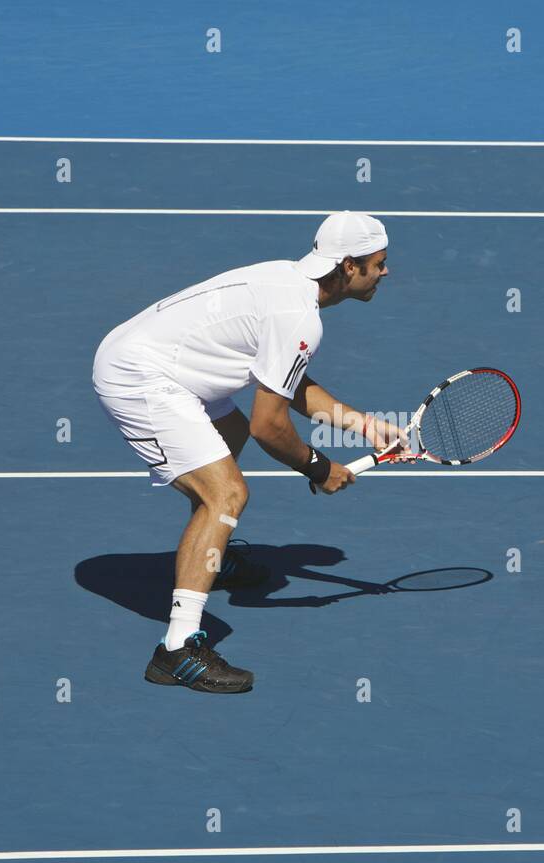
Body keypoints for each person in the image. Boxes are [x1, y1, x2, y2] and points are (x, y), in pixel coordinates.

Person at [92, 211, 401, 694]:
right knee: (227, 494)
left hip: (171, 364)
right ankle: (177, 650)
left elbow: (285, 381)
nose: (386, 272)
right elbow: (270, 425)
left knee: (226, 438)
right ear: (348, 267)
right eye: (378, 263)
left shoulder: (287, 281)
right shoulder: (297, 315)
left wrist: (362, 424)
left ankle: (209, 557)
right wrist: (319, 467)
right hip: (140, 376)